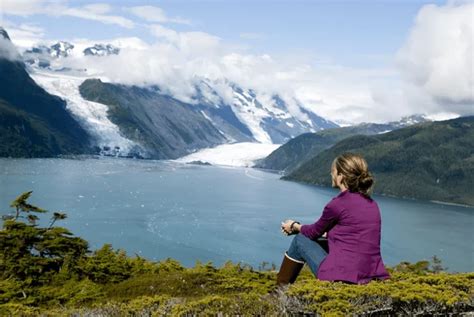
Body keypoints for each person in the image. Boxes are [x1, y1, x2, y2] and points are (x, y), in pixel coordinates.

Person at [276, 152, 391, 286]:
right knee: (318, 239)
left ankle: (279, 294)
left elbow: (313, 232)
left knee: (300, 240)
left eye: (333, 171)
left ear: (341, 176)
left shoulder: (337, 204)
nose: (331, 174)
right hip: (372, 275)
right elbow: (350, 233)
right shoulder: (372, 204)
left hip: (344, 276)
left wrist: (294, 225)